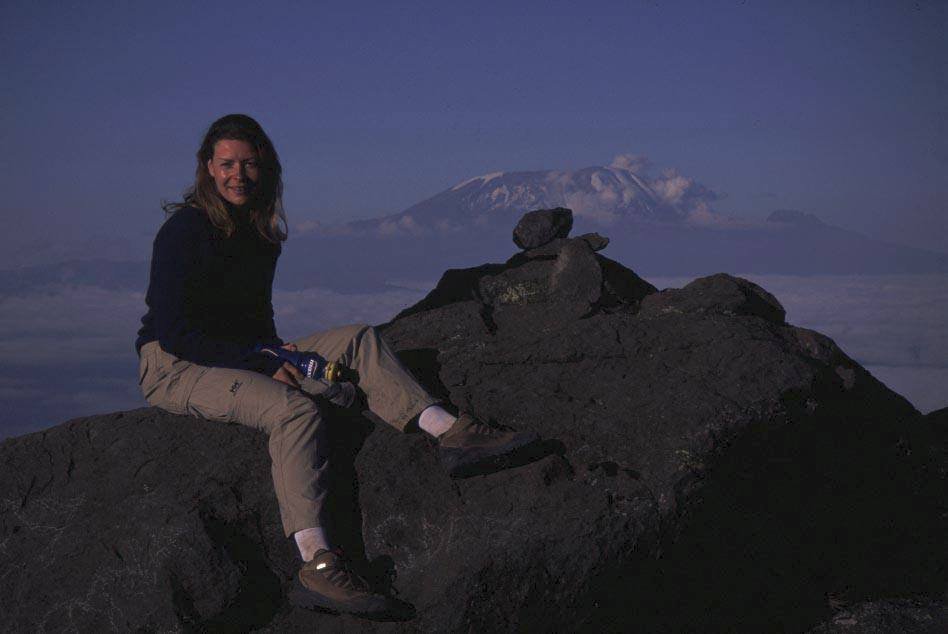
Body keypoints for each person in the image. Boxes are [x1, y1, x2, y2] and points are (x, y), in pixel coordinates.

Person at [135, 114, 537, 616]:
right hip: (175, 364)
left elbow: (258, 321)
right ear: (207, 169)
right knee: (293, 412)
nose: (238, 175)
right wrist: (259, 363)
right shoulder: (185, 231)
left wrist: (287, 358)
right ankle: (316, 565)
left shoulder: (259, 233)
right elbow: (175, 332)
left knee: (356, 339)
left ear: (265, 169)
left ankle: (451, 434)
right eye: (226, 164)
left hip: (241, 353)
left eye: (249, 164)